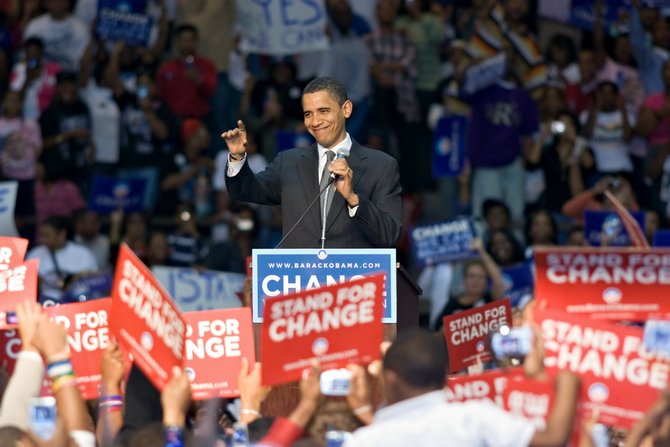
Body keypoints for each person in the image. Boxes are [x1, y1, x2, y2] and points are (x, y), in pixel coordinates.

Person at [222, 76, 402, 249]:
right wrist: (237, 159)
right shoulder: (288, 162)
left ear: (346, 109)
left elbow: (389, 235)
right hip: (299, 278)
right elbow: (245, 191)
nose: (315, 122)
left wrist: (353, 199)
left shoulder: (381, 166)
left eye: (323, 111)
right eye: (308, 114)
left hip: (352, 279)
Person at [343, 328, 579, 447]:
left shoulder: (365, 441)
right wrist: (567, 384)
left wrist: (364, 411)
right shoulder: (474, 417)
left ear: (390, 380)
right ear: (446, 378)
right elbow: (552, 439)